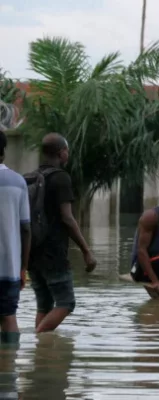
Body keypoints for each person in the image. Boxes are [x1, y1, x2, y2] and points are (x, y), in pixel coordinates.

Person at [26, 133, 97, 333]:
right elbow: (67, 217)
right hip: (54, 252)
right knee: (66, 303)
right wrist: (86, 251)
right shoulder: (60, 178)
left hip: (32, 251)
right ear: (61, 152)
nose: (68, 154)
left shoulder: (30, 177)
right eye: (67, 150)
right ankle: (39, 336)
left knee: (44, 305)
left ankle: (41, 350)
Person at [0, 130, 31, 344]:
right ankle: (8, 371)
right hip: (9, 267)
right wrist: (23, 268)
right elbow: (26, 228)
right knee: (9, 316)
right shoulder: (18, 182)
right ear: (3, 152)